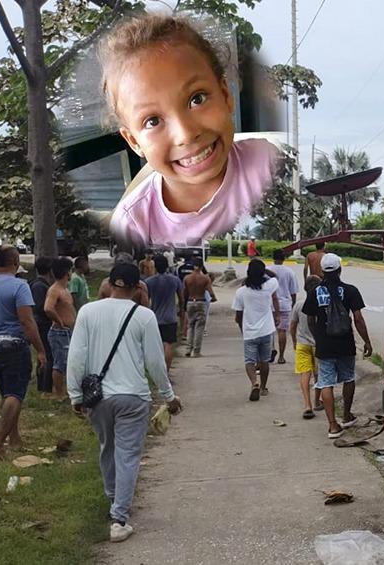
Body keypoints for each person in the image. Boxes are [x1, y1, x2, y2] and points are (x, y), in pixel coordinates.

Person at [101, 14, 279, 246]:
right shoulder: (133, 223)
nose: (185, 134)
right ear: (134, 141)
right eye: (153, 121)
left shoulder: (266, 162)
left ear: (225, 95)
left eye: (197, 99)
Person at [67, 262, 182, 543]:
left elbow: (77, 355)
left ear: (109, 283)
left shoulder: (87, 311)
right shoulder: (144, 316)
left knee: (108, 448)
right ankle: (119, 517)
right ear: (137, 287)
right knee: (128, 454)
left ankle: (114, 501)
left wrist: (75, 394)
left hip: (98, 397)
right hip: (133, 396)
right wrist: (168, 395)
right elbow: (155, 361)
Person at [0, 245, 48, 460]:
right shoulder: (19, 286)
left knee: (7, 392)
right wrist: (40, 350)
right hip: (14, 344)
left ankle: (14, 438)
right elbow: (27, 321)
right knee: (15, 393)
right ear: (15, 261)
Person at [302, 254, 373, 439]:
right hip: (345, 342)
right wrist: (367, 341)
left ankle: (333, 425)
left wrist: (318, 337)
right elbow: (358, 319)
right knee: (348, 378)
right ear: (340, 269)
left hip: (324, 344)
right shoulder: (350, 291)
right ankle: (347, 415)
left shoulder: (314, 292)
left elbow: (311, 320)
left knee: (326, 383)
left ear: (323, 271)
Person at [232, 259, 279, 401]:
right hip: (266, 331)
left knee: (249, 361)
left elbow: (238, 316)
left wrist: (242, 329)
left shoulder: (241, 292)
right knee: (265, 361)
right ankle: (264, 387)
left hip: (250, 332)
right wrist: (264, 270)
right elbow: (275, 277)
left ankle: (254, 383)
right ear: (262, 273)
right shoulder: (268, 287)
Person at [43, 257, 77, 400]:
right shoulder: (55, 290)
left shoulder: (65, 289)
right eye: (70, 270)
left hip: (68, 331)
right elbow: (48, 308)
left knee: (68, 361)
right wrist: (59, 320)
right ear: (66, 273)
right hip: (59, 332)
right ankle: (59, 393)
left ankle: (66, 390)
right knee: (60, 362)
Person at [143, 255, 183, 370]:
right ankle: (166, 372)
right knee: (168, 345)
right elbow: (181, 298)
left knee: (156, 346)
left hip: (155, 317)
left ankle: (156, 371)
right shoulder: (174, 280)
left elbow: (146, 299)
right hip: (170, 317)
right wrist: (181, 310)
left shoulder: (149, 282)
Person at [291, 276, 321, 419]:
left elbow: (292, 326)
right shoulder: (321, 304)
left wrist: (294, 341)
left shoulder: (298, 304)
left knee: (305, 374)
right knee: (318, 375)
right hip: (318, 344)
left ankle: (307, 405)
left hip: (302, 344)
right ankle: (317, 401)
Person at [29, 257, 55, 394]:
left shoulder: (41, 284)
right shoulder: (40, 286)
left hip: (41, 323)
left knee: (45, 355)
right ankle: (45, 386)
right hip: (42, 324)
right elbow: (40, 307)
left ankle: (43, 384)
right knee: (47, 355)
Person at [270, 249, 299, 364]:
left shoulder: (267, 270)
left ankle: (271, 350)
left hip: (270, 304)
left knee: (269, 330)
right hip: (284, 304)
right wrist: (293, 303)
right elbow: (293, 291)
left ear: (273, 258)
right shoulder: (289, 272)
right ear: (284, 258)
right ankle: (281, 357)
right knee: (282, 331)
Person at [182, 259, 216, 357]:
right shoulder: (205, 279)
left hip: (190, 301)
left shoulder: (187, 278)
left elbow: (184, 293)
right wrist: (213, 298)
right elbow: (210, 292)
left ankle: (188, 349)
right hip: (201, 301)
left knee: (190, 326)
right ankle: (196, 351)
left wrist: (184, 304)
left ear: (193, 266)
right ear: (201, 267)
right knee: (199, 327)